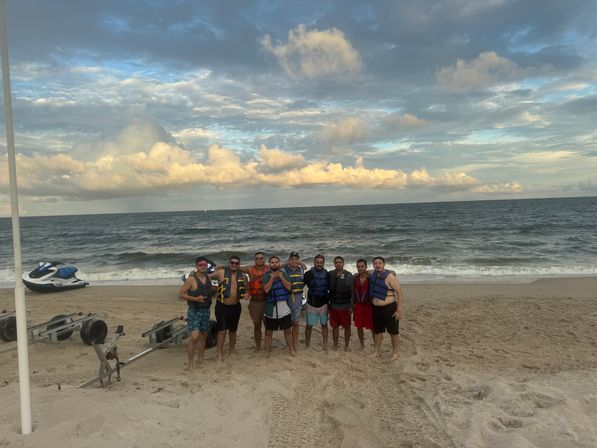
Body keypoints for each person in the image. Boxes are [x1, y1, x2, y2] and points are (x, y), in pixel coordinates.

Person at [211, 255, 250, 361]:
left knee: (233, 330)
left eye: (236, 263)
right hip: (222, 306)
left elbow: (247, 289)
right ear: (229, 263)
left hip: (235, 307)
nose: (234, 264)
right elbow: (207, 277)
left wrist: (247, 294)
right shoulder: (221, 273)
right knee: (222, 331)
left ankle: (232, 350)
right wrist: (193, 275)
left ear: (239, 265)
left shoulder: (243, 276)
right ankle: (219, 353)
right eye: (232, 262)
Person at [179, 256, 213, 370]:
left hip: (206, 310)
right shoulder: (191, 279)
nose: (203, 267)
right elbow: (181, 294)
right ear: (196, 266)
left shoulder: (208, 276)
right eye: (200, 265)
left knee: (203, 336)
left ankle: (200, 359)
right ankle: (190, 364)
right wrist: (196, 299)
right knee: (194, 337)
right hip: (194, 311)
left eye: (205, 265)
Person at [369, 256, 404, 359]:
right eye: (375, 263)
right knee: (378, 331)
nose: (377, 265)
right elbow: (364, 271)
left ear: (383, 264)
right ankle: (376, 352)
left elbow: (400, 293)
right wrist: (357, 273)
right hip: (376, 309)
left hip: (389, 308)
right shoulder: (372, 274)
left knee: (393, 332)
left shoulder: (390, 277)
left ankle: (396, 353)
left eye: (380, 263)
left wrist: (399, 310)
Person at [262, 256, 295, 356]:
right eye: (272, 262)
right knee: (268, 332)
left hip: (283, 306)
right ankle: (267, 351)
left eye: (276, 262)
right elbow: (266, 290)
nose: (274, 264)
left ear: (279, 263)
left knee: (287, 330)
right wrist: (272, 277)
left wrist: (280, 277)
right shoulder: (266, 275)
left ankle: (291, 349)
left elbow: (289, 287)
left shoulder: (284, 274)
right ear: (269, 264)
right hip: (271, 307)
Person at [303, 254, 329, 352]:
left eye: (321, 262)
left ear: (323, 263)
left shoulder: (327, 274)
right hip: (311, 304)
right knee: (309, 326)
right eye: (317, 262)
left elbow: (331, 289)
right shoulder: (308, 274)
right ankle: (307, 344)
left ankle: (325, 344)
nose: (319, 264)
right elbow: (300, 286)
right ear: (314, 262)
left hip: (324, 304)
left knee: (324, 325)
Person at [328, 256, 354, 351]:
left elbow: (352, 292)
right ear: (334, 264)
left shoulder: (349, 275)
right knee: (335, 326)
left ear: (343, 263)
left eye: (340, 262)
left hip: (345, 306)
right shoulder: (330, 274)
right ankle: (335, 344)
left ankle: (346, 345)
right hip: (334, 306)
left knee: (347, 327)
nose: (338, 264)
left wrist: (351, 306)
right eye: (336, 262)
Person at [283, 251, 304, 352]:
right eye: (292, 259)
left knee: (295, 322)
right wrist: (286, 263)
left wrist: (301, 264)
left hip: (298, 298)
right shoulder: (283, 269)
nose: (294, 261)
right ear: (289, 260)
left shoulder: (302, 270)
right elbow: (272, 266)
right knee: (287, 323)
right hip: (286, 298)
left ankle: (295, 342)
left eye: (296, 259)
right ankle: (288, 343)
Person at [353, 258, 374, 351]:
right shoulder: (355, 277)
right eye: (358, 266)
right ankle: (362, 344)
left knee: (372, 327)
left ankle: (375, 344)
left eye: (362, 266)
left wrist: (370, 271)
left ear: (366, 267)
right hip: (358, 305)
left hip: (369, 306)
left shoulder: (371, 277)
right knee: (359, 327)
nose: (360, 268)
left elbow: (392, 272)